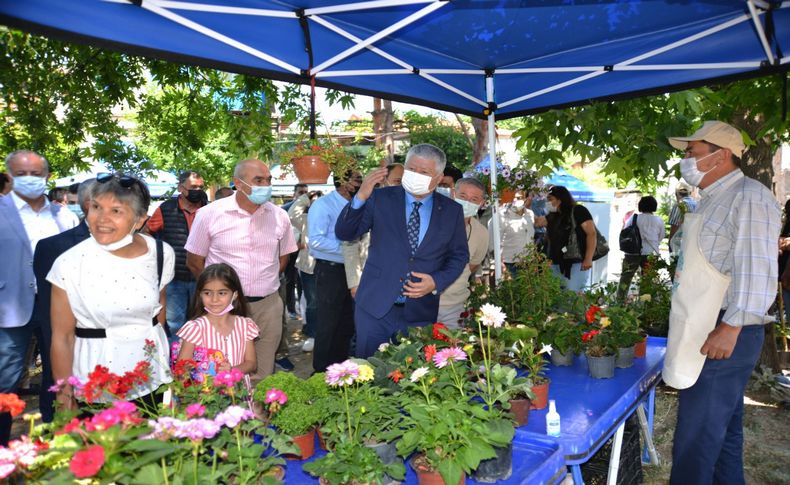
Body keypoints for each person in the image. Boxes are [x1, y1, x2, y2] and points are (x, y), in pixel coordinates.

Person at [664, 121, 781, 484]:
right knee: (722, 434)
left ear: (722, 155)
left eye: (692, 152)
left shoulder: (750, 195)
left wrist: (731, 326)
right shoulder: (710, 199)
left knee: (696, 439)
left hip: (724, 329)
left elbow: (757, 268)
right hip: (706, 323)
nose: (686, 159)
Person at [49, 172, 175, 410]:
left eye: (116, 211)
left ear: (139, 220)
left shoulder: (161, 253)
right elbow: (61, 337)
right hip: (95, 384)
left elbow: (159, 314)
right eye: (96, 207)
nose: (101, 219)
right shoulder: (69, 263)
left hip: (151, 378)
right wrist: (65, 399)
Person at [335, 144, 469, 358]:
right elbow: (345, 233)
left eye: (424, 172)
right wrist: (360, 196)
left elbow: (459, 255)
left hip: (419, 313)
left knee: (412, 379)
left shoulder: (452, 211)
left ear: (438, 177)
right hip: (374, 307)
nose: (416, 175)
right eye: (411, 169)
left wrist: (436, 281)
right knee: (368, 372)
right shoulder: (380, 199)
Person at [185, 159, 297, 381]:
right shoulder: (209, 214)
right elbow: (195, 262)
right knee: (223, 373)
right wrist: (217, 295)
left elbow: (283, 258)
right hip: (226, 309)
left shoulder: (279, 216)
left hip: (268, 305)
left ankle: (258, 414)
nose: (265, 185)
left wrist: (262, 283)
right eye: (258, 180)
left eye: (268, 180)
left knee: (263, 373)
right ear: (238, 182)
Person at [0, 150, 77, 445]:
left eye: (36, 174)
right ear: (9, 175)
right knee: (6, 378)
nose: (29, 180)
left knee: (58, 377)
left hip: (56, 306)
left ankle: (54, 439)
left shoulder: (64, 216)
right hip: (8, 307)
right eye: (21, 174)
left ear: (46, 176)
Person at [32, 178, 95, 422]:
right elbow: (52, 322)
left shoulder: (138, 247)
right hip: (69, 352)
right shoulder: (54, 247)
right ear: (91, 204)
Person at [308, 170, 363, 371]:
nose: (361, 182)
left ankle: (340, 370)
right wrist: (350, 250)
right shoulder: (323, 205)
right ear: (343, 181)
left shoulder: (360, 204)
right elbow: (315, 241)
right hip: (331, 271)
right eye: (357, 179)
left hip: (354, 271)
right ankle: (320, 371)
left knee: (347, 323)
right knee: (328, 323)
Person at [144, 171, 207, 340]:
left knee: (201, 321)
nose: (197, 190)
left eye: (200, 187)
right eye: (193, 187)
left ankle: (198, 359)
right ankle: (177, 361)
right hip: (174, 277)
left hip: (201, 274)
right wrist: (160, 254)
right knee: (175, 323)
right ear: (181, 188)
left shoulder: (208, 209)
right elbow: (147, 232)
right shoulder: (166, 209)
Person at [176, 263, 258, 375]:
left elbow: (251, 363)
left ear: (235, 295)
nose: (214, 299)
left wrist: (232, 370)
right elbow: (181, 368)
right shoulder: (195, 329)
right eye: (207, 293)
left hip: (239, 391)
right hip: (204, 392)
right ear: (200, 294)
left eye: (222, 293)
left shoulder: (245, 325)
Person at [438, 177, 488, 327]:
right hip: (422, 302)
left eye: (474, 199)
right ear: (453, 194)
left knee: (453, 349)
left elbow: (472, 266)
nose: (467, 202)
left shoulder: (481, 233)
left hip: (455, 308)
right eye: (463, 197)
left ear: (481, 204)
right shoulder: (432, 219)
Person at [544, 185, 597, 291]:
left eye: (550, 199)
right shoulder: (553, 216)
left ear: (560, 199)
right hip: (555, 264)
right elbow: (537, 223)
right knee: (557, 299)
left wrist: (588, 258)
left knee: (572, 297)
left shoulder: (578, 210)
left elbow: (591, 233)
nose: (548, 203)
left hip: (576, 263)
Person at [616, 195, 665, 301]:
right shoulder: (658, 220)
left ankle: (619, 301)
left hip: (632, 253)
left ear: (640, 206)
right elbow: (661, 237)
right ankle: (644, 305)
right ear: (654, 206)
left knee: (626, 278)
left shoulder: (634, 218)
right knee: (647, 280)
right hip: (651, 254)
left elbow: (626, 232)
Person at [289, 191, 321, 352]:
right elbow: (292, 213)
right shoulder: (306, 220)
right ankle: (314, 335)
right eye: (314, 204)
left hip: (332, 266)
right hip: (308, 267)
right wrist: (306, 197)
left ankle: (327, 334)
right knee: (312, 302)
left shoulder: (336, 217)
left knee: (330, 301)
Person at [489, 190, 535, 276]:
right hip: (508, 264)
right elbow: (492, 241)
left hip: (528, 263)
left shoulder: (529, 214)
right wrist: (498, 262)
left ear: (525, 198)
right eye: (513, 197)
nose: (515, 200)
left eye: (519, 198)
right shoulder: (500, 215)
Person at [668, 184, 697, 253]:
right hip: (693, 242)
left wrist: (669, 243)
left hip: (679, 243)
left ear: (676, 194)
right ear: (690, 193)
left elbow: (675, 225)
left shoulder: (679, 205)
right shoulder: (697, 204)